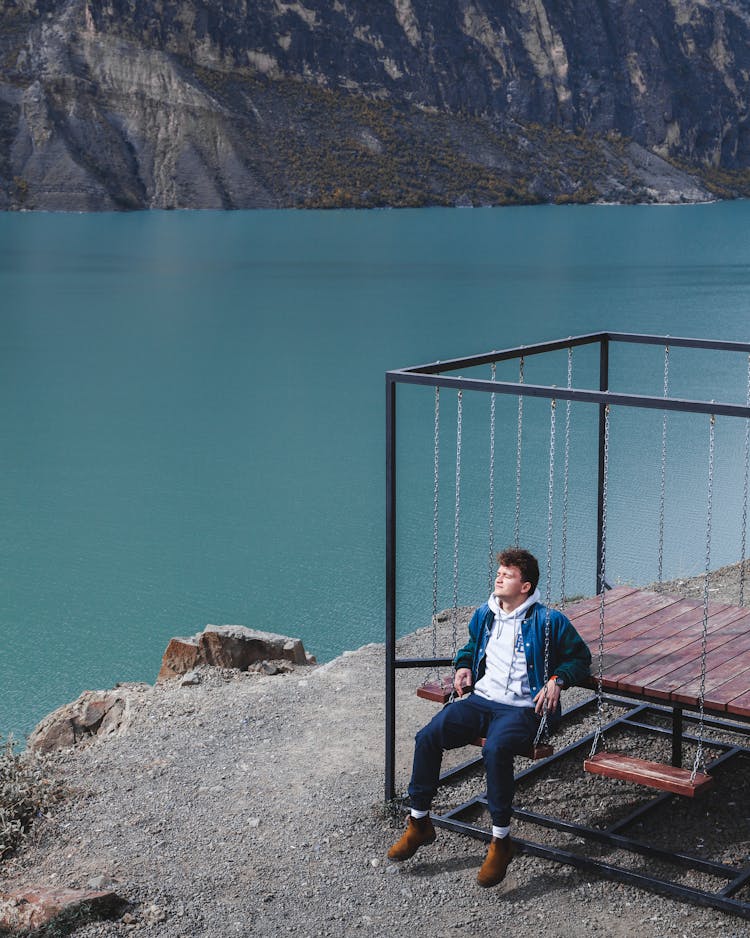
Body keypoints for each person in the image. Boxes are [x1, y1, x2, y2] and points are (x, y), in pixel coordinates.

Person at [387, 547, 592, 887]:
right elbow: (470, 647)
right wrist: (464, 666)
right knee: (427, 737)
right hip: (481, 701)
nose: (498, 577)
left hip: (524, 709)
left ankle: (500, 840)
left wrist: (558, 680)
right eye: (499, 572)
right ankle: (419, 821)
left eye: (507, 574)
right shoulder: (485, 615)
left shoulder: (549, 621)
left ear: (525, 586)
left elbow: (580, 659)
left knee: (495, 750)